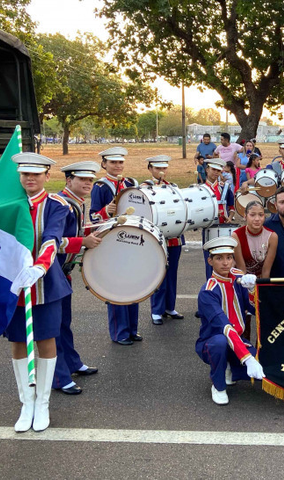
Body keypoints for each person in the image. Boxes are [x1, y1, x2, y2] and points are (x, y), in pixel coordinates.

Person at [5, 152, 71, 433]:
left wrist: (40, 267)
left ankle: (42, 403)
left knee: (45, 339)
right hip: (14, 283)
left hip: (45, 283)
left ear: (47, 176)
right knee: (19, 341)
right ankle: (27, 403)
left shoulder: (56, 205)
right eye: (25, 174)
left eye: (36, 174)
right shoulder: (8, 203)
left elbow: (52, 239)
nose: (30, 178)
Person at [195, 236, 265, 405]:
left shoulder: (238, 277)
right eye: (219, 258)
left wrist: (253, 290)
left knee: (265, 370)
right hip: (212, 340)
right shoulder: (208, 292)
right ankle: (218, 385)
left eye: (229, 257)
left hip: (237, 339)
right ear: (210, 261)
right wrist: (247, 358)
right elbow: (225, 326)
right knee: (220, 343)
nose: (225, 263)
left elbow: (253, 309)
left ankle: (230, 368)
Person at [53, 162, 102, 395]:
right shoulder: (62, 205)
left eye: (90, 180)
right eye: (82, 179)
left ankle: (72, 363)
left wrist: (99, 228)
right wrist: (83, 242)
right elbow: (52, 242)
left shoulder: (76, 203)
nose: (87, 184)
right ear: (68, 180)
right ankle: (59, 377)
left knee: (64, 323)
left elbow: (74, 231)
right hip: (52, 274)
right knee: (53, 326)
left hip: (64, 273)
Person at [90, 147, 141, 345]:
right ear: (104, 164)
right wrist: (106, 210)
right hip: (112, 241)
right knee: (117, 286)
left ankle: (132, 329)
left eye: (120, 162)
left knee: (133, 284)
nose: (118, 166)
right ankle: (120, 332)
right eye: (113, 162)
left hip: (131, 239)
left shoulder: (130, 184)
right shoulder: (100, 187)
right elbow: (93, 217)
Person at [142, 156, 186, 325]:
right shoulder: (144, 188)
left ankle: (169, 306)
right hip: (156, 239)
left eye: (164, 168)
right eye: (157, 168)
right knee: (158, 274)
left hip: (174, 238)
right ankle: (156, 310)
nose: (161, 171)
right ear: (150, 169)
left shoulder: (172, 187)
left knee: (172, 274)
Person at [202, 157, 236, 279]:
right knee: (210, 260)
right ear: (207, 170)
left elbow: (231, 207)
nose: (216, 173)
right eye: (213, 169)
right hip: (208, 228)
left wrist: (230, 217)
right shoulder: (200, 189)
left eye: (218, 170)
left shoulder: (225, 188)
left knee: (226, 261)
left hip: (224, 228)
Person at [231, 201, 278, 278]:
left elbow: (266, 270)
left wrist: (263, 284)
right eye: (252, 215)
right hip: (243, 279)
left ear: (264, 216)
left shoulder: (272, 236)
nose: (257, 219)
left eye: (261, 215)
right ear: (245, 216)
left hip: (262, 280)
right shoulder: (236, 235)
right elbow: (241, 268)